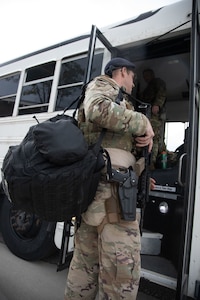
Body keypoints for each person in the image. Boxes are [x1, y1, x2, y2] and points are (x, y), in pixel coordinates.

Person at [64, 57, 154, 300]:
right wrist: (143, 122)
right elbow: (98, 110)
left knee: (85, 268)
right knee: (120, 277)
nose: (134, 85)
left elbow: (115, 143)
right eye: (133, 78)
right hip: (111, 194)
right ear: (122, 72)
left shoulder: (118, 97)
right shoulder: (104, 86)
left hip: (106, 189)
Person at [141, 68, 166, 169]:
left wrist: (157, 104)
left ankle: (152, 162)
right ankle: (147, 161)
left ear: (152, 74)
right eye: (144, 76)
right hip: (148, 115)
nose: (145, 78)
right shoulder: (148, 87)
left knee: (153, 138)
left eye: (147, 75)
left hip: (154, 115)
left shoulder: (157, 82)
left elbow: (162, 93)